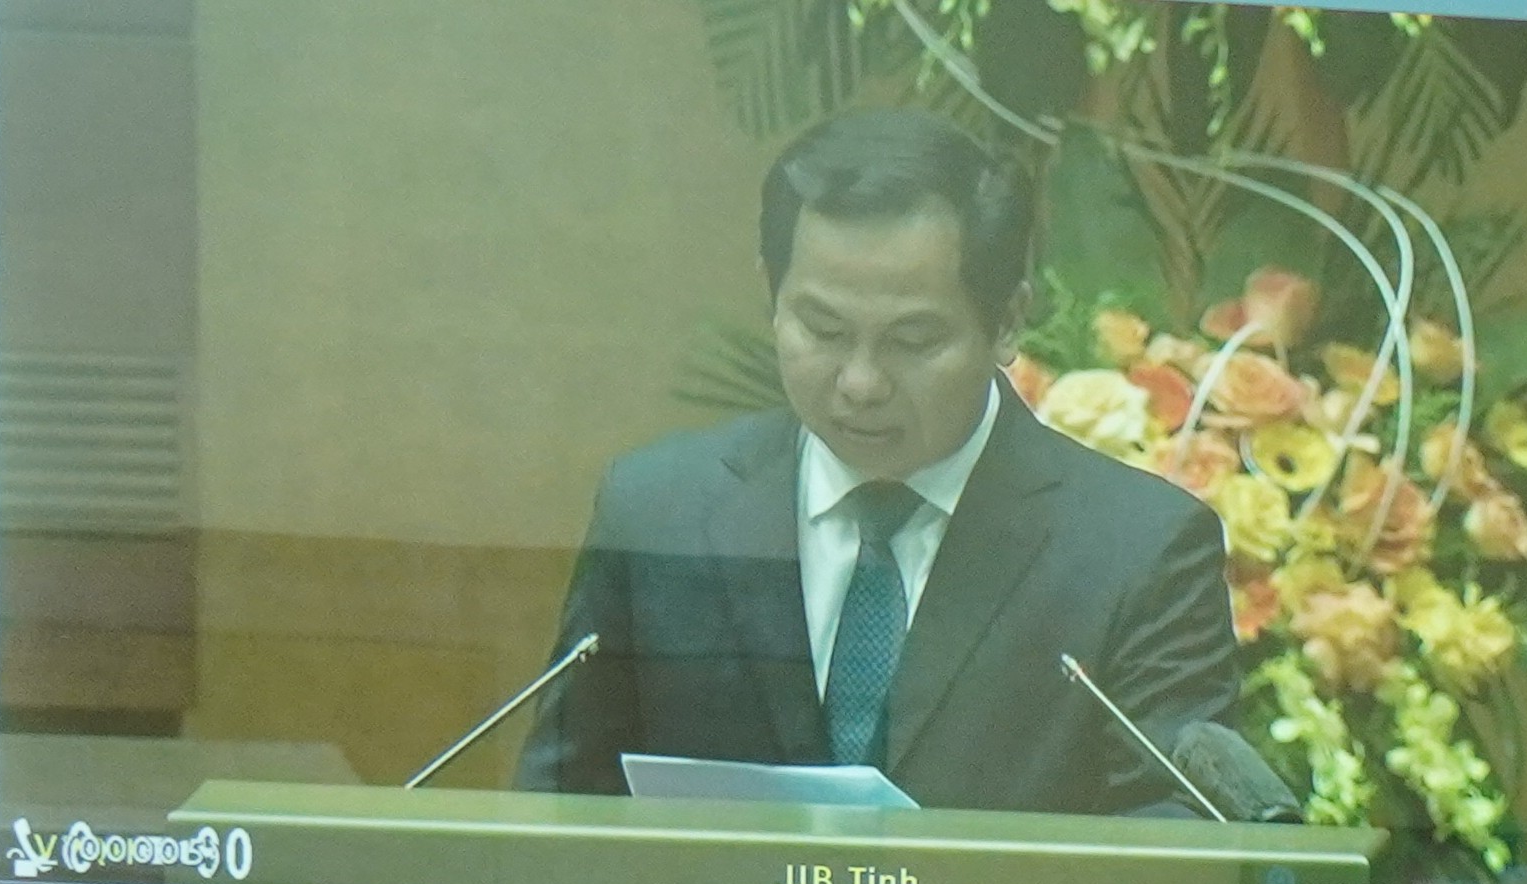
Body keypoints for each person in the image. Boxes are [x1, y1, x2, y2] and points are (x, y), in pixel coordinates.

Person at [520, 112, 1252, 817]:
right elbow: (560, 811)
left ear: (1007, 321)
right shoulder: (659, 513)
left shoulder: (1137, 551)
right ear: (772, 293)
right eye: (822, 329)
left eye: (913, 340)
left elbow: (1173, 840)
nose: (860, 383)